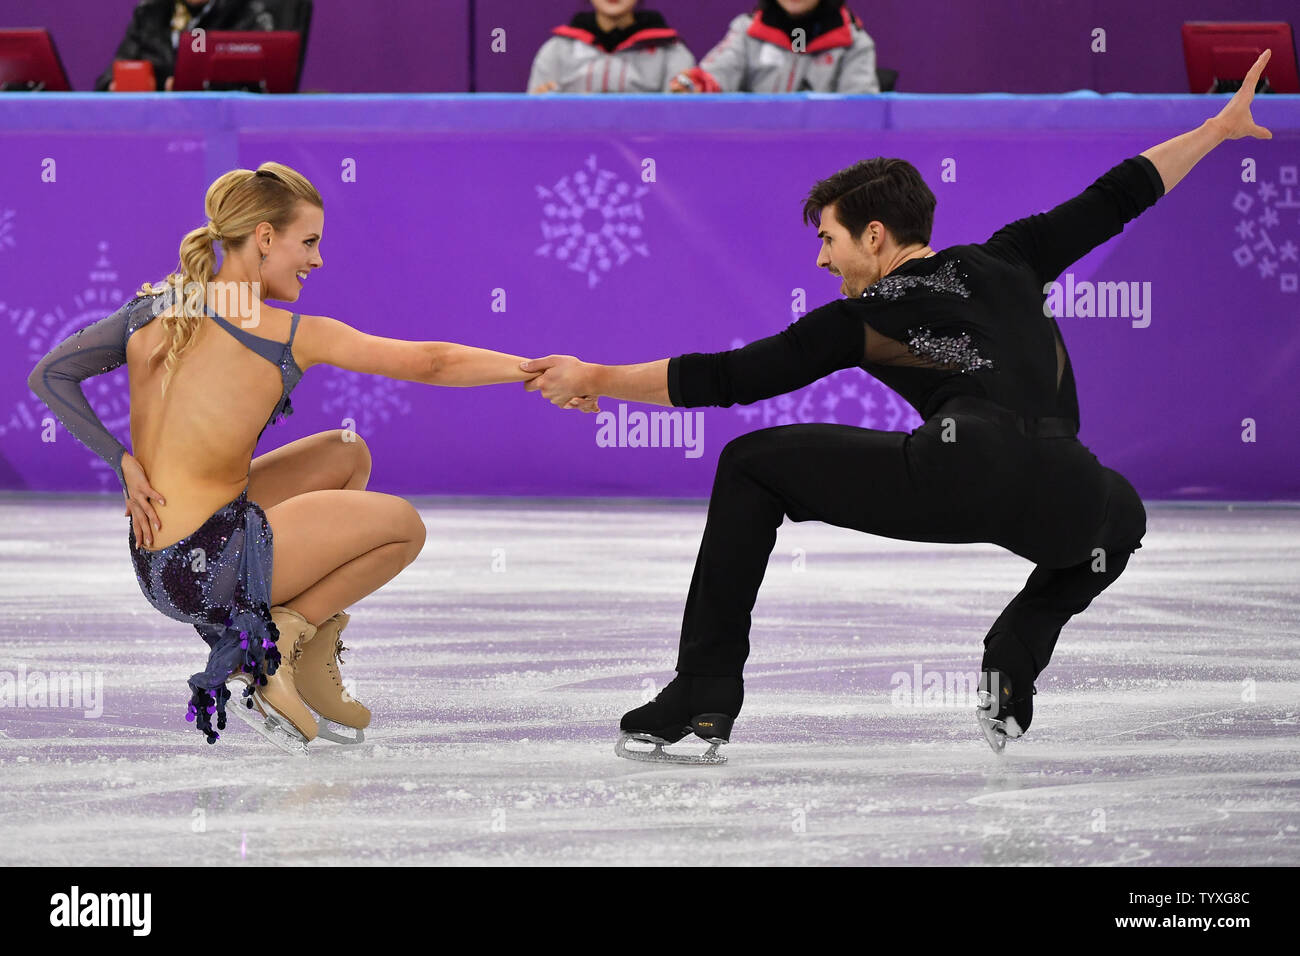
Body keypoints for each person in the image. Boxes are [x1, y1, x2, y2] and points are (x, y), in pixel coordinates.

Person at [521, 51, 1276, 762]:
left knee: (750, 466)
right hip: (1070, 490)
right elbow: (1123, 194)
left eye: (828, 238)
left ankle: (705, 689)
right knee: (1126, 515)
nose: (821, 259)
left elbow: (731, 378)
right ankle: (1019, 647)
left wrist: (596, 376)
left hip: (960, 468)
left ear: (874, 235)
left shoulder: (867, 313)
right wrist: (1216, 129)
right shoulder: (1013, 257)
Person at [26, 161, 597, 753]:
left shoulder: (154, 305)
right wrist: (531, 369)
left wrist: (123, 461)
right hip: (213, 565)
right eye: (309, 241)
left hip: (157, 562)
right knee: (402, 527)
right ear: (266, 239)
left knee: (345, 454)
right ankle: (275, 646)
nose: (317, 260)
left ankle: (310, 646)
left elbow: (52, 375)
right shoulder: (289, 331)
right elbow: (430, 362)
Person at [671, 0, 878, 94]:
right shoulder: (747, 30)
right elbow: (716, 75)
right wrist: (696, 85)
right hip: (754, 154)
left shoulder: (855, 43)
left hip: (826, 161)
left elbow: (860, 115)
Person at [95, 0, 278, 92]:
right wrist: (119, 86)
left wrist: (190, 89)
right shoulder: (150, 12)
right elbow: (107, 80)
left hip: (220, 126)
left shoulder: (248, 13)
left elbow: (264, 86)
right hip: (160, 128)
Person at [528, 0, 695, 94]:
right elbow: (533, 125)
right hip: (574, 152)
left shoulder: (671, 53)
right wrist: (540, 108)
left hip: (645, 154)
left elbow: (680, 125)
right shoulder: (555, 50)